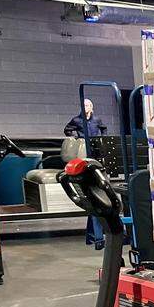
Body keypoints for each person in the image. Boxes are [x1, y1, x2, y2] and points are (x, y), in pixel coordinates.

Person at [66, 99, 107, 249]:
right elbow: (67, 129)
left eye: (88, 105)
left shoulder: (97, 120)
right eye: (84, 105)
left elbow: (104, 128)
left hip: (96, 152)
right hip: (83, 153)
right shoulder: (76, 120)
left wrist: (102, 139)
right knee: (93, 198)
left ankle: (95, 237)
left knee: (99, 197)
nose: (86, 107)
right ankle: (97, 237)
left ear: (92, 107)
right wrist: (77, 138)